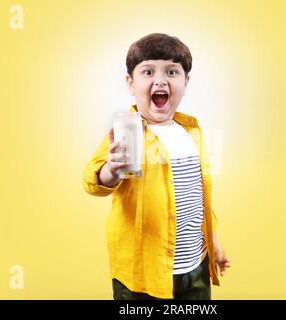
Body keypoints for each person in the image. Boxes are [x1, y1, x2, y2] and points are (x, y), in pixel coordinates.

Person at [83, 33, 230, 300]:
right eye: (148, 71)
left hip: (195, 266)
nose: (160, 80)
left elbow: (198, 197)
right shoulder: (127, 132)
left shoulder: (192, 132)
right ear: (131, 82)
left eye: (172, 72)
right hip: (142, 272)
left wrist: (214, 240)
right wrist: (112, 170)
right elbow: (92, 180)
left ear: (186, 82)